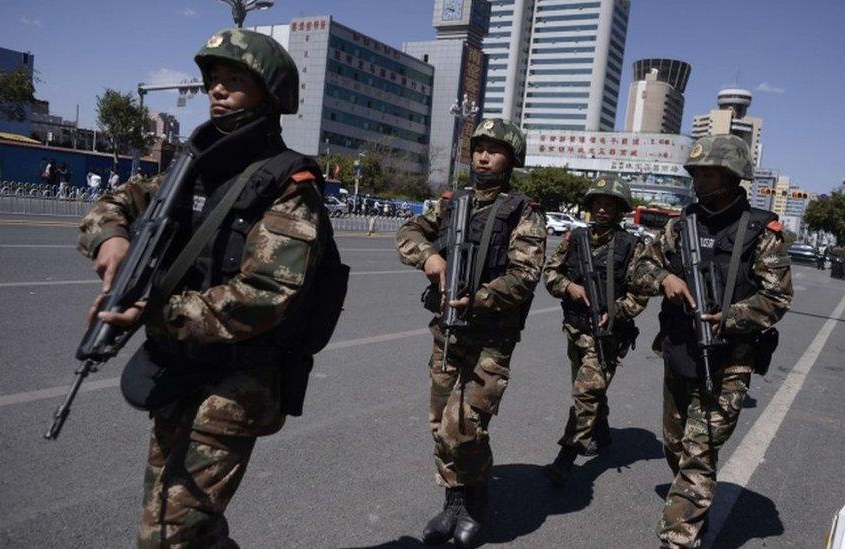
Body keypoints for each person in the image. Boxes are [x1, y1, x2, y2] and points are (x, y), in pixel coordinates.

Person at [77, 28, 333, 547]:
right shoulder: (192, 165)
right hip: (178, 365)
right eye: (214, 80)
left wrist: (155, 311)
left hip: (237, 383)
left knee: (168, 532)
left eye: (234, 81)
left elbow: (267, 294)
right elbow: (118, 204)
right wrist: (110, 239)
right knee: (184, 520)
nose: (217, 91)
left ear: (270, 94)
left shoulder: (288, 184)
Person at [629, 134, 793, 548]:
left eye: (708, 172)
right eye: (696, 172)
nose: (699, 180)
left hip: (730, 359)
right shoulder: (679, 224)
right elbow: (641, 267)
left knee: (699, 452)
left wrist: (732, 316)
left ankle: (679, 536)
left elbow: (778, 296)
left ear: (732, 176)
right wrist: (664, 278)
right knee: (675, 444)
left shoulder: (760, 231)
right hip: (680, 352)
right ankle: (692, 498)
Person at [395, 118, 546, 548]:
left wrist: (477, 299)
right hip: (447, 332)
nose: (482, 156)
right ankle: (453, 502)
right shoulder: (451, 203)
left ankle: (475, 502)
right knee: (439, 424)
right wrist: (428, 257)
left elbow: (524, 275)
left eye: (493, 150)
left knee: (465, 425)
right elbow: (408, 232)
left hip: (490, 337)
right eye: (478, 147)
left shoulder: (525, 211)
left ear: (511, 159)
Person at [541, 176, 648, 485]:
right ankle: (602, 434)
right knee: (589, 389)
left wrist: (615, 311)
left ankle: (565, 459)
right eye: (598, 204)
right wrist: (569, 286)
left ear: (620, 211)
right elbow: (550, 273)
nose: (602, 210)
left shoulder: (631, 246)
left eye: (609, 205)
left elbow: (640, 294)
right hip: (575, 329)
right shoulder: (575, 239)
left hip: (607, 336)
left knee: (586, 393)